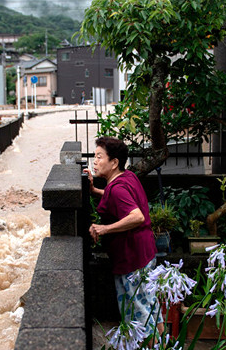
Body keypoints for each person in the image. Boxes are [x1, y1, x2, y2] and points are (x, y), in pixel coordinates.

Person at [85, 137, 163, 339]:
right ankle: (163, 343)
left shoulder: (117, 187)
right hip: (145, 251)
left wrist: (104, 229)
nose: (95, 161)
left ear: (114, 162)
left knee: (139, 313)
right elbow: (117, 197)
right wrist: (94, 191)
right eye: (95, 156)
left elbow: (137, 216)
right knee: (150, 305)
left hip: (131, 258)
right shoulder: (126, 177)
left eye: (99, 157)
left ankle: (151, 345)